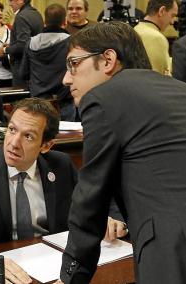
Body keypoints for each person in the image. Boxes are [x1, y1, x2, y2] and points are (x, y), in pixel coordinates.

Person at [0, 98, 127, 284]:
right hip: (3, 273)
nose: (14, 143)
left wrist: (114, 218)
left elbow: (102, 198)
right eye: (12, 130)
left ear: (46, 145)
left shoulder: (61, 165)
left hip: (55, 268)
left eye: (28, 136)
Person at [57, 22, 186, 284]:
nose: (66, 78)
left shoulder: (103, 98)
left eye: (74, 64)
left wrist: (71, 277)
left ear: (108, 60)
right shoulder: (178, 89)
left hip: (171, 253)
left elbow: (89, 199)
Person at [20, 4, 75, 121]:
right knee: (68, 138)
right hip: (64, 102)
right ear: (65, 21)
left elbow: (23, 73)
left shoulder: (31, 43)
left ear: (44, 22)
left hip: (39, 103)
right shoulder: (71, 43)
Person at [0, 0, 43, 87]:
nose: (10, 4)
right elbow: (30, 41)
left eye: (11, 0)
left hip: (23, 69)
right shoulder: (37, 14)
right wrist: (11, 46)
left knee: (21, 100)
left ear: (20, 1)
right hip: (36, 69)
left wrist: (5, 50)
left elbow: (23, 45)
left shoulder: (21, 16)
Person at [134, 0, 178, 75]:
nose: (172, 22)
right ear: (162, 11)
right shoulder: (156, 38)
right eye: (172, 16)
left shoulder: (136, 28)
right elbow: (158, 77)